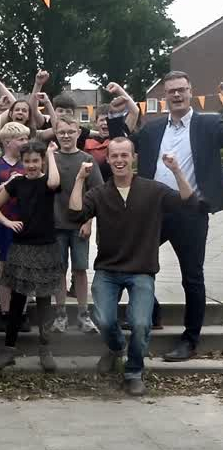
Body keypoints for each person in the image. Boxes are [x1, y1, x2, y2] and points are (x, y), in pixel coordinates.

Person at [108, 71, 223, 362]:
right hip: (155, 210)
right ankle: (153, 313)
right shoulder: (154, 128)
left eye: (182, 89)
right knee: (134, 262)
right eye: (171, 91)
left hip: (191, 212)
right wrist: (117, 114)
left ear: (190, 91)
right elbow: (123, 144)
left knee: (192, 277)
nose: (177, 95)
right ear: (165, 96)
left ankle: (190, 339)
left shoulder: (210, 124)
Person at [68, 138, 197, 395]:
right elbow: (74, 214)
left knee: (140, 323)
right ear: (108, 159)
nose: (119, 160)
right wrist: (80, 179)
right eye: (114, 156)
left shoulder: (153, 190)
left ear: (133, 157)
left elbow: (189, 203)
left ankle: (134, 372)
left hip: (141, 270)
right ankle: (116, 348)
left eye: (124, 155)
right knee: (104, 320)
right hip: (108, 269)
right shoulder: (100, 193)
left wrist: (176, 170)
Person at [0, 141, 62, 372]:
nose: (31, 165)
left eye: (35, 161)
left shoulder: (48, 182)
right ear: (22, 162)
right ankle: (8, 349)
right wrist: (8, 222)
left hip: (46, 246)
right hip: (21, 246)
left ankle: (45, 348)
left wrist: (50, 154)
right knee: (17, 300)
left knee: (44, 300)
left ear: (42, 161)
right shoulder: (17, 183)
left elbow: (54, 182)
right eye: (27, 161)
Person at [51, 115, 103, 334]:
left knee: (80, 269)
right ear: (56, 134)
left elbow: (96, 193)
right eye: (61, 132)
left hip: (79, 225)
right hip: (56, 224)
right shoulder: (51, 158)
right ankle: (60, 314)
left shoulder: (87, 159)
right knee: (59, 270)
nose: (66, 136)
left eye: (70, 132)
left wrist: (89, 221)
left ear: (78, 133)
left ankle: (83, 314)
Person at [0, 122, 30, 332]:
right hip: (3, 222)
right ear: (6, 142)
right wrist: (9, 182)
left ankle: (21, 312)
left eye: (26, 138)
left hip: (25, 222)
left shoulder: (28, 164)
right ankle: (5, 311)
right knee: (5, 266)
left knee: (24, 267)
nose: (25, 143)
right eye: (21, 139)